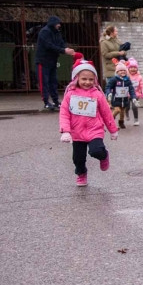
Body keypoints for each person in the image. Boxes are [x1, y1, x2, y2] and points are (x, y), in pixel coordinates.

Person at [58, 56, 118, 187]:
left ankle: (104, 156)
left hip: (94, 130)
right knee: (78, 159)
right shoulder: (70, 94)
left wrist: (113, 130)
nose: (87, 82)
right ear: (76, 79)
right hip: (77, 132)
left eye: (91, 79)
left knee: (96, 150)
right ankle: (81, 174)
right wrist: (66, 131)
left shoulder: (97, 94)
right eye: (84, 79)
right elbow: (64, 113)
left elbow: (106, 113)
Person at [35, 16, 75, 112]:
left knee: (53, 82)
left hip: (52, 60)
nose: (59, 25)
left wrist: (66, 49)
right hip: (43, 60)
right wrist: (63, 50)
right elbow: (49, 45)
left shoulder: (57, 33)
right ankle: (46, 102)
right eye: (58, 23)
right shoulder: (45, 32)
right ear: (53, 23)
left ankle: (56, 101)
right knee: (44, 82)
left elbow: (61, 43)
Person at [105, 61, 136, 130]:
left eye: (124, 70)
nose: (122, 72)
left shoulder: (127, 80)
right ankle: (110, 120)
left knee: (122, 112)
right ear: (117, 72)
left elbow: (131, 89)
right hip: (116, 100)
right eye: (120, 70)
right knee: (117, 110)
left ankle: (121, 122)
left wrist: (133, 97)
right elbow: (108, 87)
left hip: (124, 100)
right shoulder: (114, 79)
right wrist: (108, 93)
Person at [126, 59, 143, 126]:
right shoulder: (126, 76)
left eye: (135, 67)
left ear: (137, 68)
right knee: (126, 107)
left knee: (134, 107)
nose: (133, 69)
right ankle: (126, 114)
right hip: (126, 94)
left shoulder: (139, 77)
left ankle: (136, 119)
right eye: (131, 67)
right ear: (128, 69)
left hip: (135, 95)